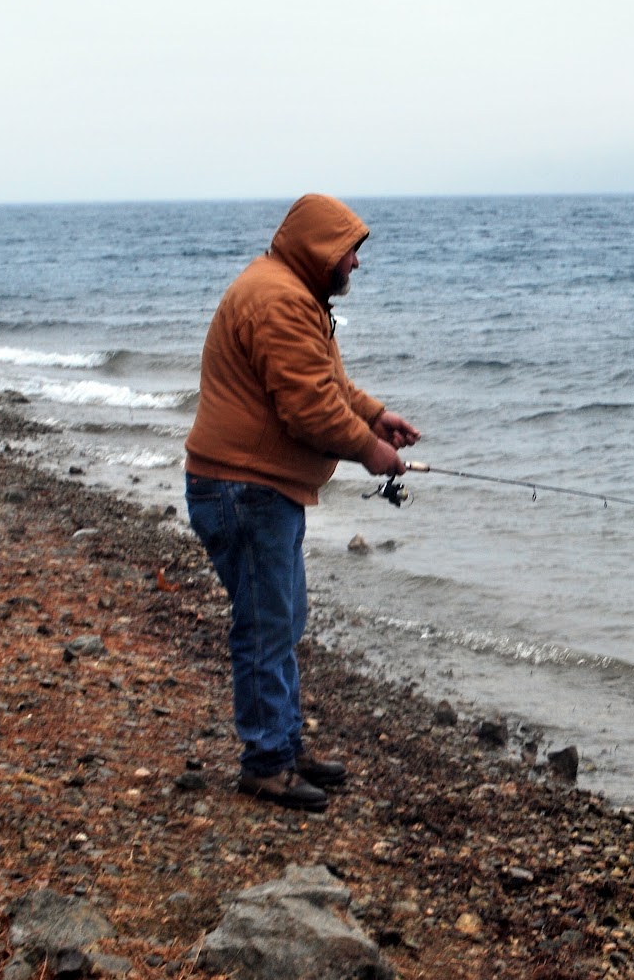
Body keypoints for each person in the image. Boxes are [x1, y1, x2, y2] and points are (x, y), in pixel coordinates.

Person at [184, 194, 420, 812]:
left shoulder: (289, 292)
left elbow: (327, 383)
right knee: (265, 627)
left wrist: (374, 416)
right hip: (244, 489)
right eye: (350, 252)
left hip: (256, 487)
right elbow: (310, 408)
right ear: (321, 249)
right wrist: (372, 450)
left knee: (281, 621)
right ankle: (266, 763)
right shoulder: (280, 299)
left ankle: (282, 746)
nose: (355, 265)